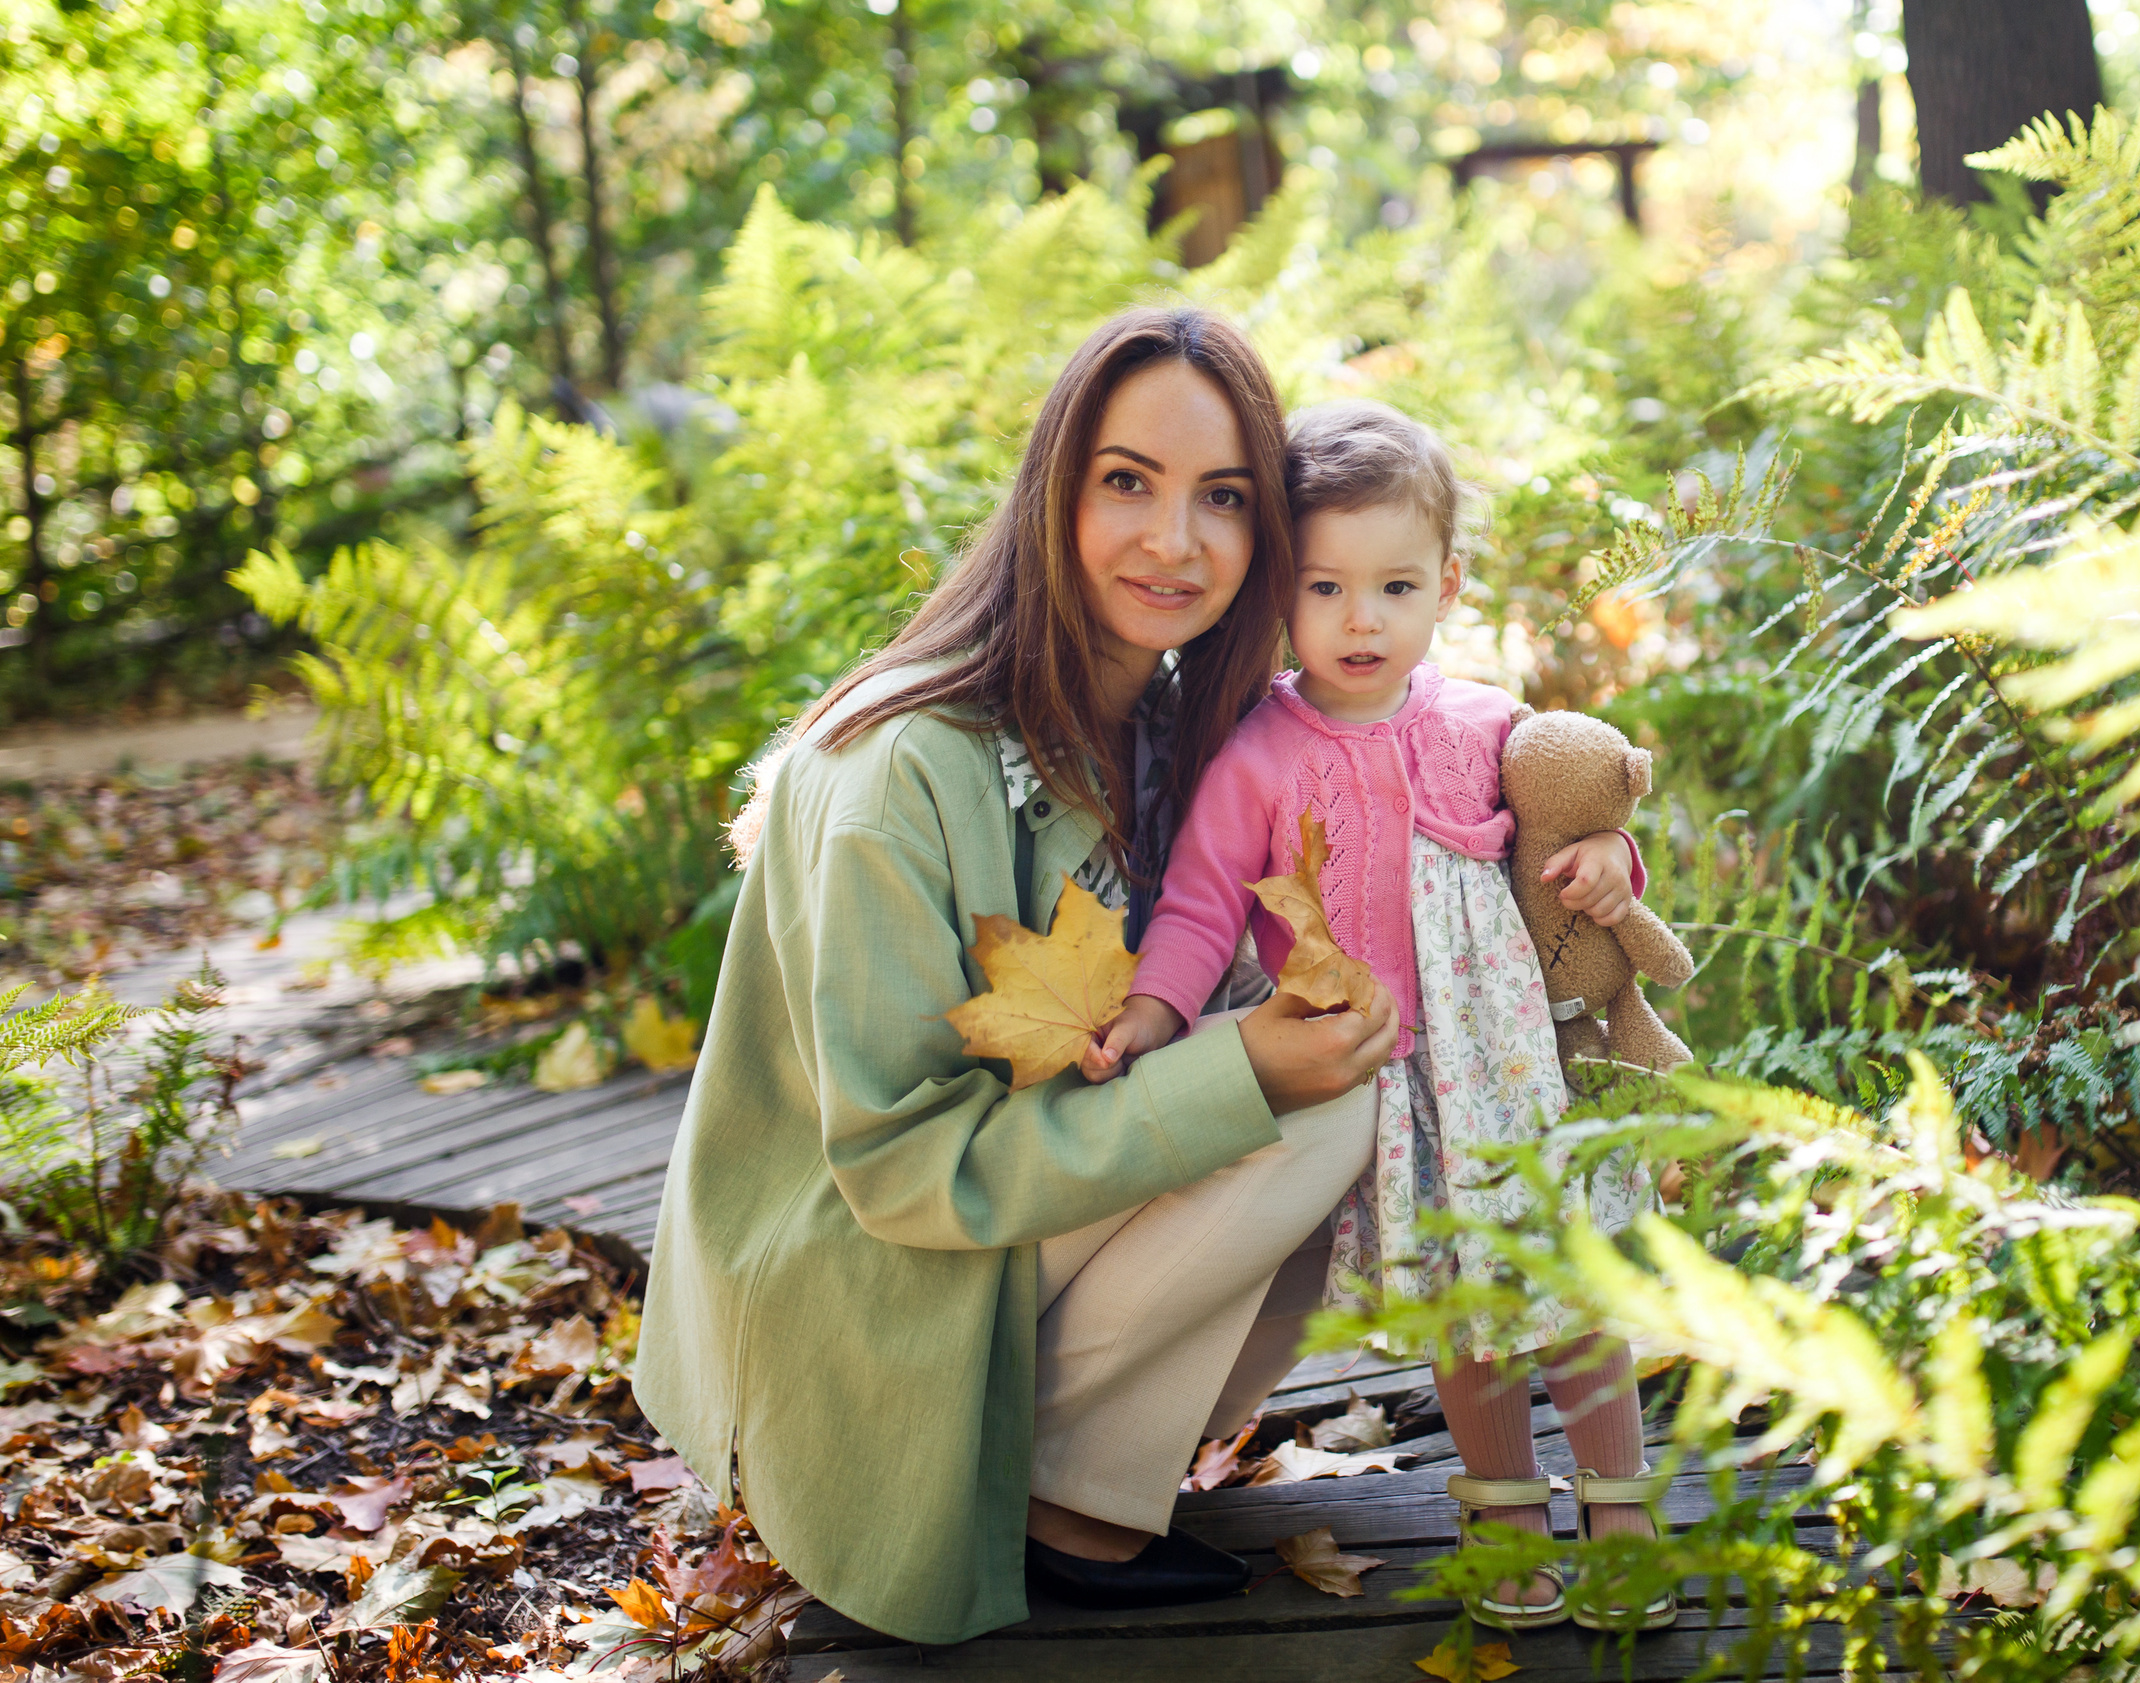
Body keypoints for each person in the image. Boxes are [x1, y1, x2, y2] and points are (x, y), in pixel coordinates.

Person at [634, 308, 1405, 1649]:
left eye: (1221, 497)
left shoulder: (1167, 728)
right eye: (1127, 481)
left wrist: (1582, 836)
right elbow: (900, 1163)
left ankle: (1085, 1486)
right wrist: (1237, 1067)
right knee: (1310, 1100)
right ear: (1054, 488)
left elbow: (1423, 772)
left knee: (1342, 1067)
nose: (1174, 541)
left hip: (1015, 1213)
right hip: (867, 1274)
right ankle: (1058, 1494)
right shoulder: (893, 775)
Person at [1086, 397, 1671, 1633]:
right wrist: (1151, 1008)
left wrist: (1614, 852)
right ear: (1279, 599)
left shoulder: (1484, 726)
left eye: (1394, 588)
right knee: (1461, 1307)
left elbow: (1575, 817)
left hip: (1511, 1064)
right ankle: (1505, 1508)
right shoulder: (1259, 752)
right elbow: (1198, 908)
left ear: (1445, 583)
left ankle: (1619, 1504)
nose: (1362, 621)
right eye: (1326, 589)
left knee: (1567, 1286)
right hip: (1385, 1082)